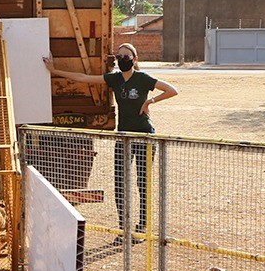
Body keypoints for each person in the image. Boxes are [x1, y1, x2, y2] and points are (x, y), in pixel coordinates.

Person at [44, 43, 178, 243]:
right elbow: (83, 78)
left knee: (142, 181)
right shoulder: (114, 79)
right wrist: (54, 70)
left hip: (144, 135)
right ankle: (123, 229)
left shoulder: (142, 79)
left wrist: (150, 102)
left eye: (127, 56)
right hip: (123, 136)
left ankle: (141, 226)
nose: (123, 59)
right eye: (120, 56)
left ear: (135, 59)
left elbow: (172, 90)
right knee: (120, 182)